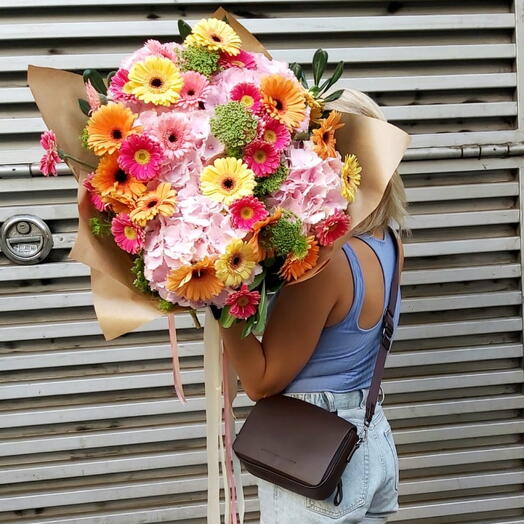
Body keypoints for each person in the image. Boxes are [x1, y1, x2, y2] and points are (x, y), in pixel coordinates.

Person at [220, 89, 407, 523]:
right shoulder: (387, 240)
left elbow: (262, 382)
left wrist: (220, 297)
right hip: (368, 435)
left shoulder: (327, 263)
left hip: (315, 454)